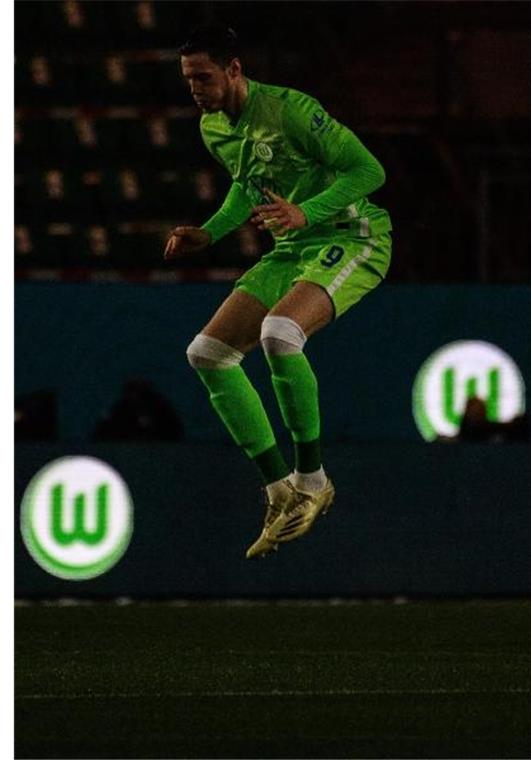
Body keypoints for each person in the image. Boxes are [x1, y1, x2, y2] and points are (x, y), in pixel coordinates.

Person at [164, 25, 392, 558]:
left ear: (235, 70)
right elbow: (248, 185)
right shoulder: (213, 126)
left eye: (203, 76)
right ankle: (278, 490)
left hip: (352, 236)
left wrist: (305, 211)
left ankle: (313, 480)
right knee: (209, 353)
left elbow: (369, 170)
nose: (195, 88)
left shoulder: (290, 110)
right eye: (187, 79)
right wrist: (210, 232)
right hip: (294, 247)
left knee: (280, 333)